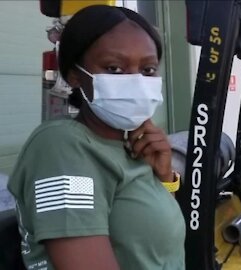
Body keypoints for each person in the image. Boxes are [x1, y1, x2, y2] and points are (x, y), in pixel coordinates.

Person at [7, 5, 185, 270]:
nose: (136, 81)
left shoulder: (133, 145)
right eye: (114, 68)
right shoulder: (62, 147)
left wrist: (165, 178)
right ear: (75, 76)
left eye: (148, 70)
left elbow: (153, 233)